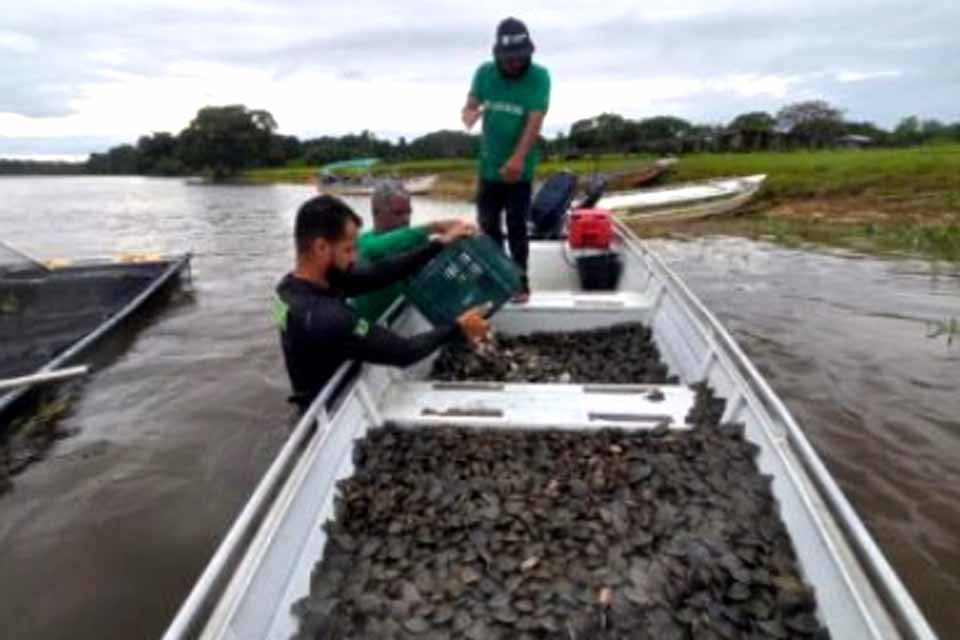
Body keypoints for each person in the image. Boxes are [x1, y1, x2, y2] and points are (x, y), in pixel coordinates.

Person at [273, 194, 489, 409]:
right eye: (348, 249)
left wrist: (439, 243)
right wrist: (458, 326)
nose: (354, 258)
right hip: (330, 406)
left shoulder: (290, 287)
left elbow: (381, 273)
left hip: (318, 380)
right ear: (321, 247)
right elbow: (404, 352)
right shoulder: (325, 317)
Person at [462, 17, 551, 303]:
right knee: (487, 225)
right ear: (497, 55)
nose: (514, 64)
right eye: (509, 59)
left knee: (516, 226)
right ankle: (501, 278)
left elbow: (534, 122)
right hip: (488, 169)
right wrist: (470, 115)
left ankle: (521, 282)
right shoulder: (484, 73)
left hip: (518, 173)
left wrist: (517, 159)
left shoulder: (540, 77)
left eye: (520, 58)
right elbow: (469, 107)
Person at [352, 180, 472, 323]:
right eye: (398, 213)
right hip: (374, 328)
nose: (406, 219)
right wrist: (433, 227)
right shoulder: (363, 242)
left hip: (411, 320)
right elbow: (375, 248)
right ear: (376, 213)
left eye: (408, 212)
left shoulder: (414, 241)